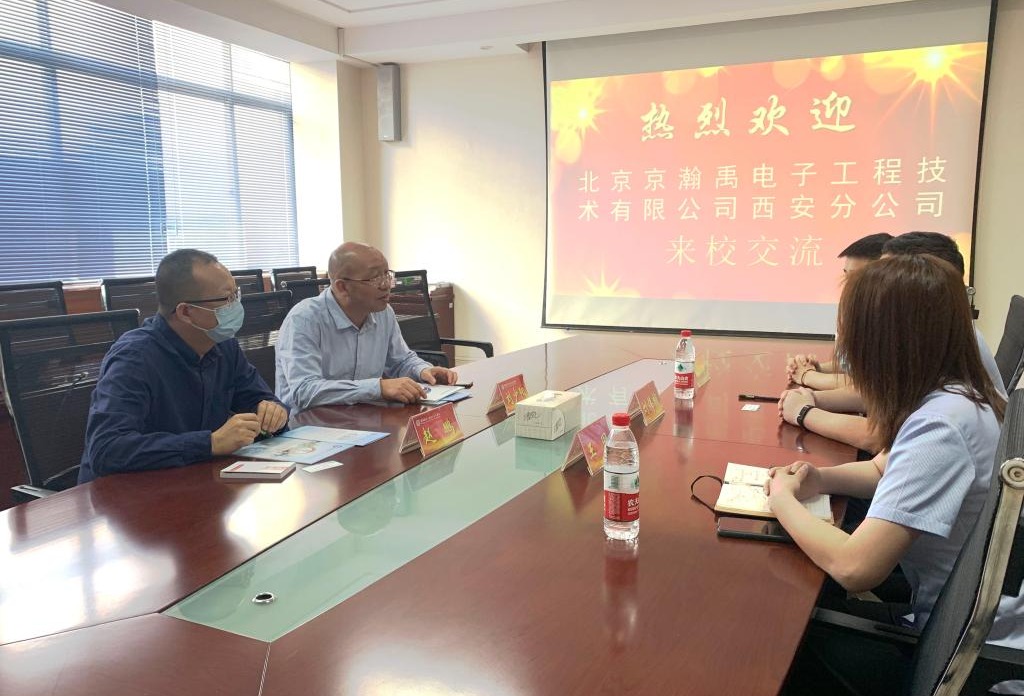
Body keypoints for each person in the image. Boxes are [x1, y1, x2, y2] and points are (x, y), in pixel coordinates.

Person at [767, 255, 1015, 694]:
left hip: (948, 655)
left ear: (885, 343)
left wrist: (781, 500)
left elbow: (855, 567)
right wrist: (819, 479)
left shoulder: (942, 427)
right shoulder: (955, 397)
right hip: (948, 625)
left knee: (774, 636)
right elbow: (883, 468)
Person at [781, 231, 1006, 453]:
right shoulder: (934, 335)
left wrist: (805, 408)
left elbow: (878, 435)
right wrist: (812, 396)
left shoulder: (943, 399)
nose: (875, 287)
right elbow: (877, 394)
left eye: (887, 277)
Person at [79, 249, 288, 483]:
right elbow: (107, 449)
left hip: (195, 481)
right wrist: (210, 443)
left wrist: (274, 412)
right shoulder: (134, 358)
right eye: (226, 299)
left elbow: (260, 400)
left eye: (236, 295)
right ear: (186, 312)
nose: (236, 306)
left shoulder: (224, 345)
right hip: (125, 495)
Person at [275, 242, 457, 412]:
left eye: (387, 275)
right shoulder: (304, 319)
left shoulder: (383, 313)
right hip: (311, 426)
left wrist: (423, 370)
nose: (386, 285)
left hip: (364, 418)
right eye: (375, 278)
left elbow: (400, 360)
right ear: (342, 287)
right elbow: (304, 391)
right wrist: (377, 388)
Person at [786, 232, 892, 392]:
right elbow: (851, 367)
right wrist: (816, 368)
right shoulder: (856, 308)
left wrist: (807, 376)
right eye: (845, 274)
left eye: (855, 277)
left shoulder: (890, 318)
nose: (846, 284)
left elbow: (870, 385)